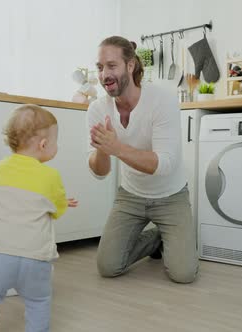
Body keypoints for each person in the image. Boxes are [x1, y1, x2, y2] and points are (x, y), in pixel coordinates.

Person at [87, 36, 199, 283]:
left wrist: (116, 147)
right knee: (108, 267)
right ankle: (156, 237)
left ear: (130, 66)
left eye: (111, 65)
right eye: (100, 67)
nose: (104, 74)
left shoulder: (162, 100)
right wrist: (103, 150)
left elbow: (163, 164)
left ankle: (167, 235)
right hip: (131, 195)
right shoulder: (97, 109)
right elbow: (99, 172)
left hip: (170, 195)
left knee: (183, 274)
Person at [0, 104, 77, 332]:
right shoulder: (51, 176)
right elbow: (56, 210)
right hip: (34, 258)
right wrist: (61, 203)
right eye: (56, 141)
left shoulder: (0, 168)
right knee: (38, 303)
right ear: (44, 144)